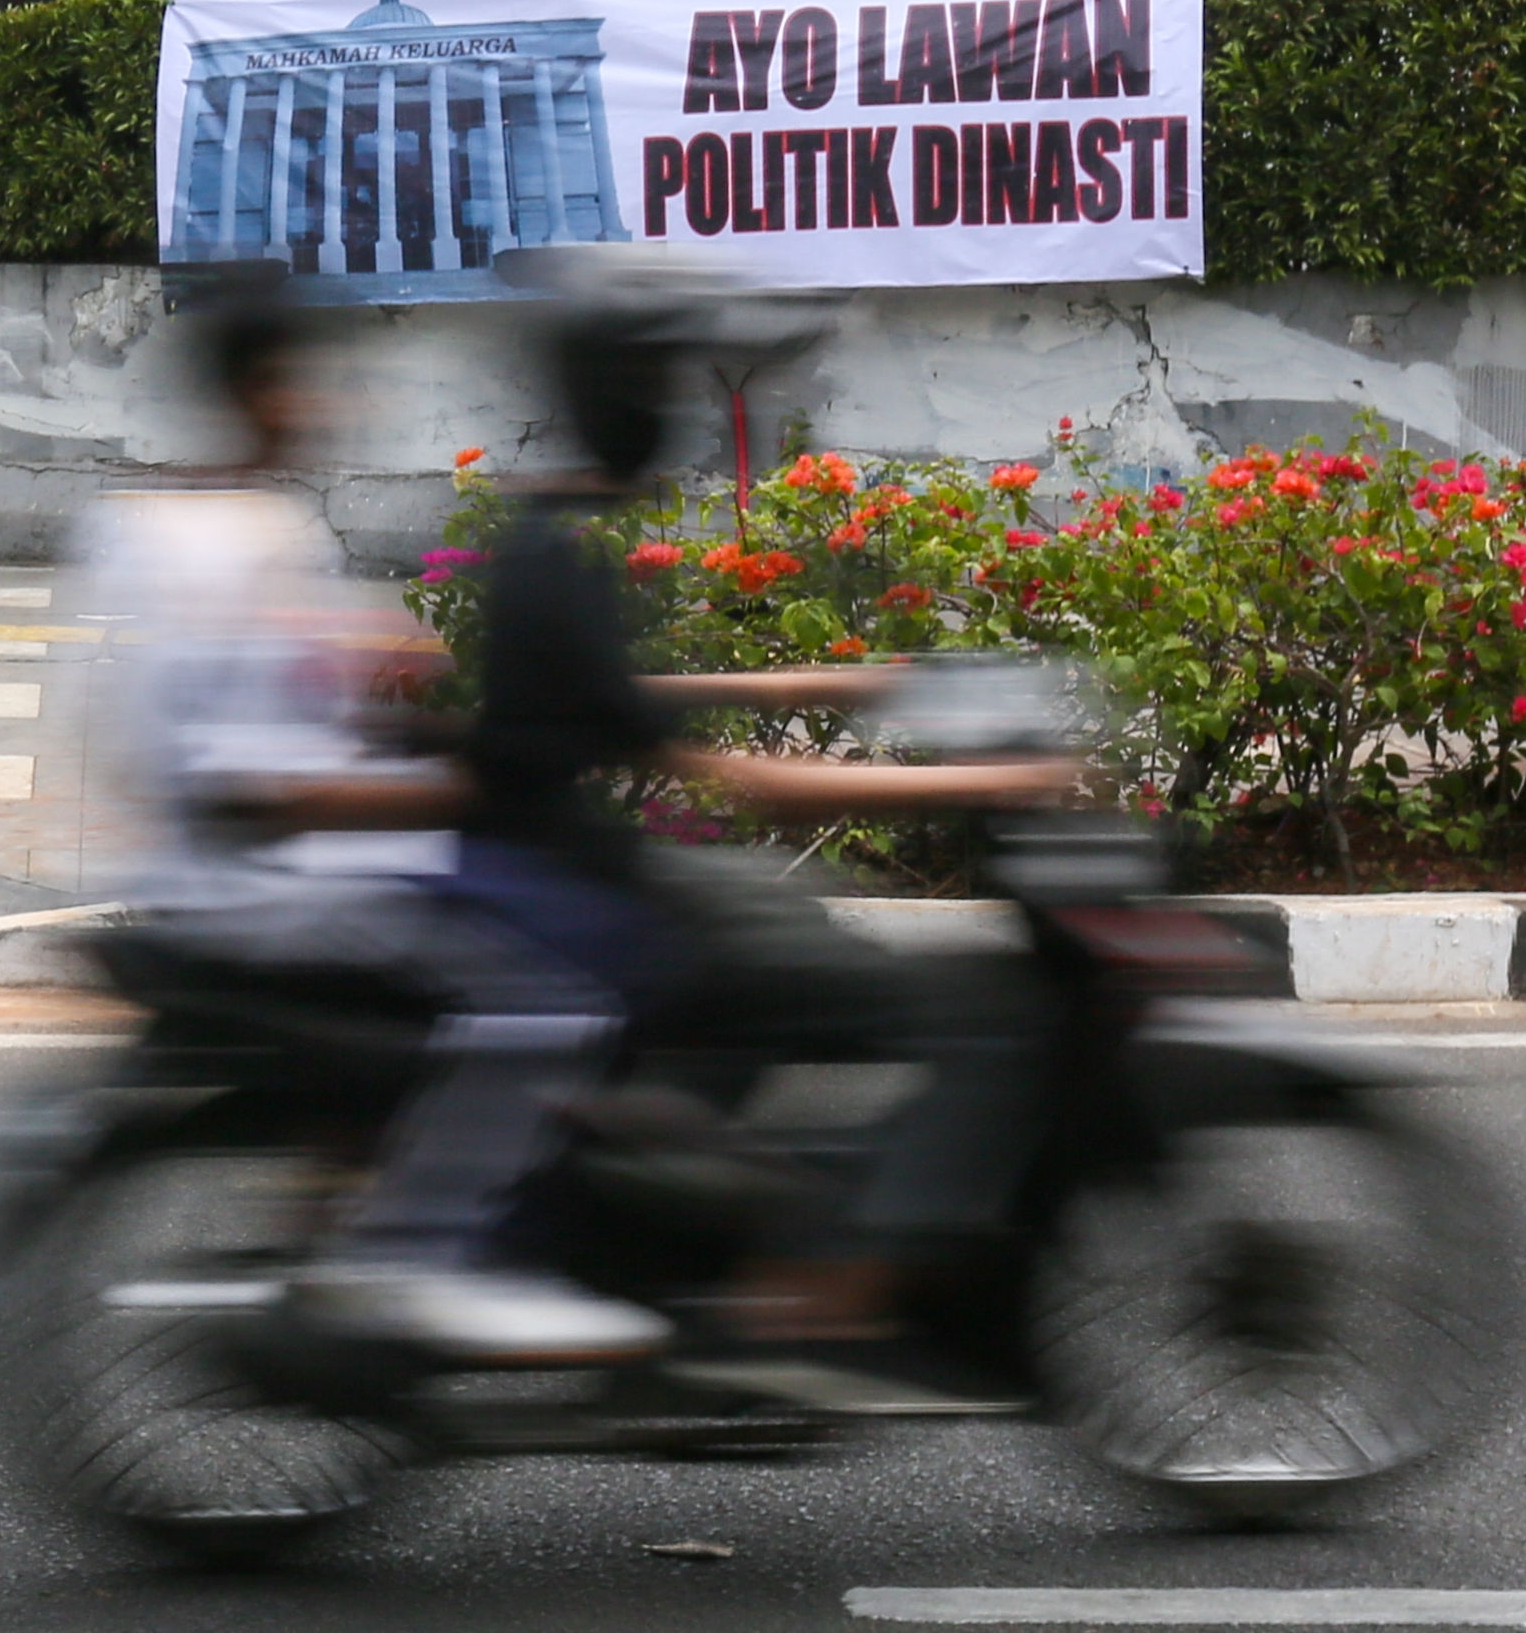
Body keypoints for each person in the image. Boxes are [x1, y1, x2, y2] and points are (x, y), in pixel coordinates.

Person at [442, 304, 1069, 1361]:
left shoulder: (547, 541)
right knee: (887, 985)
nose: (676, 414)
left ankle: (708, 1186)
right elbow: (745, 777)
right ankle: (825, 1277)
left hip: (579, 870)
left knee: (773, 916)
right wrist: (996, 776)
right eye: (661, 391)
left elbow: (632, 699)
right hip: (588, 887)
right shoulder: (559, 564)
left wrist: (872, 682)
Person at [76, 273, 670, 1365]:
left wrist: (407, 707)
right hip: (273, 882)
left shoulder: (228, 523)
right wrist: (455, 792)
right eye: (312, 378)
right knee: (558, 989)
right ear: (263, 390)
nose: (332, 400)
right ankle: (436, 1255)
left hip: (294, 857)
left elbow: (306, 702)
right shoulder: (216, 549)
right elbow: (243, 783)